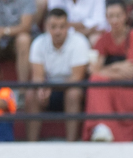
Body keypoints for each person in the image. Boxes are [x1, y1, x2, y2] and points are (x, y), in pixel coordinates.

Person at [84, 0, 133, 141]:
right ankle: (103, 128)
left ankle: (104, 127)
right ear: (106, 17)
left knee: (97, 81)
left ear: (125, 16)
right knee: (96, 81)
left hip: (132, 92)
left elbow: (130, 74)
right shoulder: (104, 39)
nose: (115, 20)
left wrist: (103, 70)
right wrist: (117, 67)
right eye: (111, 16)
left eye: (118, 15)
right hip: (110, 90)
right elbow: (93, 69)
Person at [25, 8, 91, 141]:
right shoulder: (38, 43)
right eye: (53, 27)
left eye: (62, 26)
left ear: (68, 26)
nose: (58, 31)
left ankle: (71, 144)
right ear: (46, 27)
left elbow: (76, 78)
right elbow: (37, 76)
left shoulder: (79, 42)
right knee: (31, 95)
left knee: (73, 93)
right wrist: (42, 88)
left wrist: (51, 86)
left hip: (70, 91)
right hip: (48, 91)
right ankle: (31, 144)